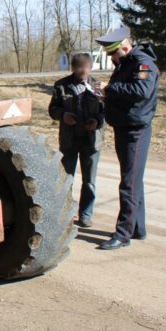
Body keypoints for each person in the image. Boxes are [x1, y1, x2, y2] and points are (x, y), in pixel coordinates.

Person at [95, 26, 159, 250]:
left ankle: (123, 234)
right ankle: (137, 228)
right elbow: (125, 93)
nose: (111, 58)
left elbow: (141, 91)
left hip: (136, 130)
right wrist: (106, 95)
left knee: (128, 182)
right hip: (124, 126)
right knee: (133, 180)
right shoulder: (125, 63)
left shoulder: (143, 62)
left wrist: (110, 88)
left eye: (113, 53)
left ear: (124, 47)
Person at [48, 52, 104, 228]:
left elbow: (105, 111)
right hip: (69, 140)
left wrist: (97, 121)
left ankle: (85, 215)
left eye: (85, 67)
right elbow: (52, 110)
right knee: (66, 179)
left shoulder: (97, 86)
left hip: (92, 140)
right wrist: (63, 115)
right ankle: (65, 214)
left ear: (90, 67)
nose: (82, 70)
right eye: (78, 67)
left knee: (89, 181)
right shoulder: (61, 86)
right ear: (72, 68)